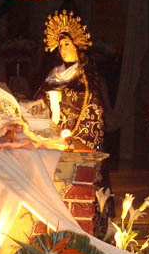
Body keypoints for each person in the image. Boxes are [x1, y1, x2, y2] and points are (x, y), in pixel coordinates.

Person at [36, 10, 105, 150]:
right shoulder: (53, 75)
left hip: (74, 139)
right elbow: (38, 103)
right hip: (49, 138)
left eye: (66, 44)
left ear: (76, 46)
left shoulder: (86, 78)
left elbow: (91, 108)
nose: (63, 49)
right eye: (60, 46)